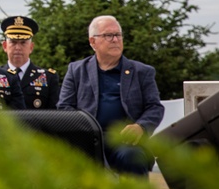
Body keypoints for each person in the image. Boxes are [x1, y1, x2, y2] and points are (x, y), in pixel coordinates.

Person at [58, 15, 164, 175]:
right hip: (87, 140)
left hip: (125, 142)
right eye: (108, 35)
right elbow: (64, 108)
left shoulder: (142, 72)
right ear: (92, 42)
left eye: (118, 35)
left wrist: (141, 126)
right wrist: (82, 133)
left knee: (133, 157)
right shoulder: (76, 70)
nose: (115, 39)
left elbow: (154, 107)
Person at [0, 15, 60, 110]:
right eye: (13, 42)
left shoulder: (48, 78)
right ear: (4, 46)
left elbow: (54, 116)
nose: (18, 48)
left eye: (23, 43)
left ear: (31, 47)